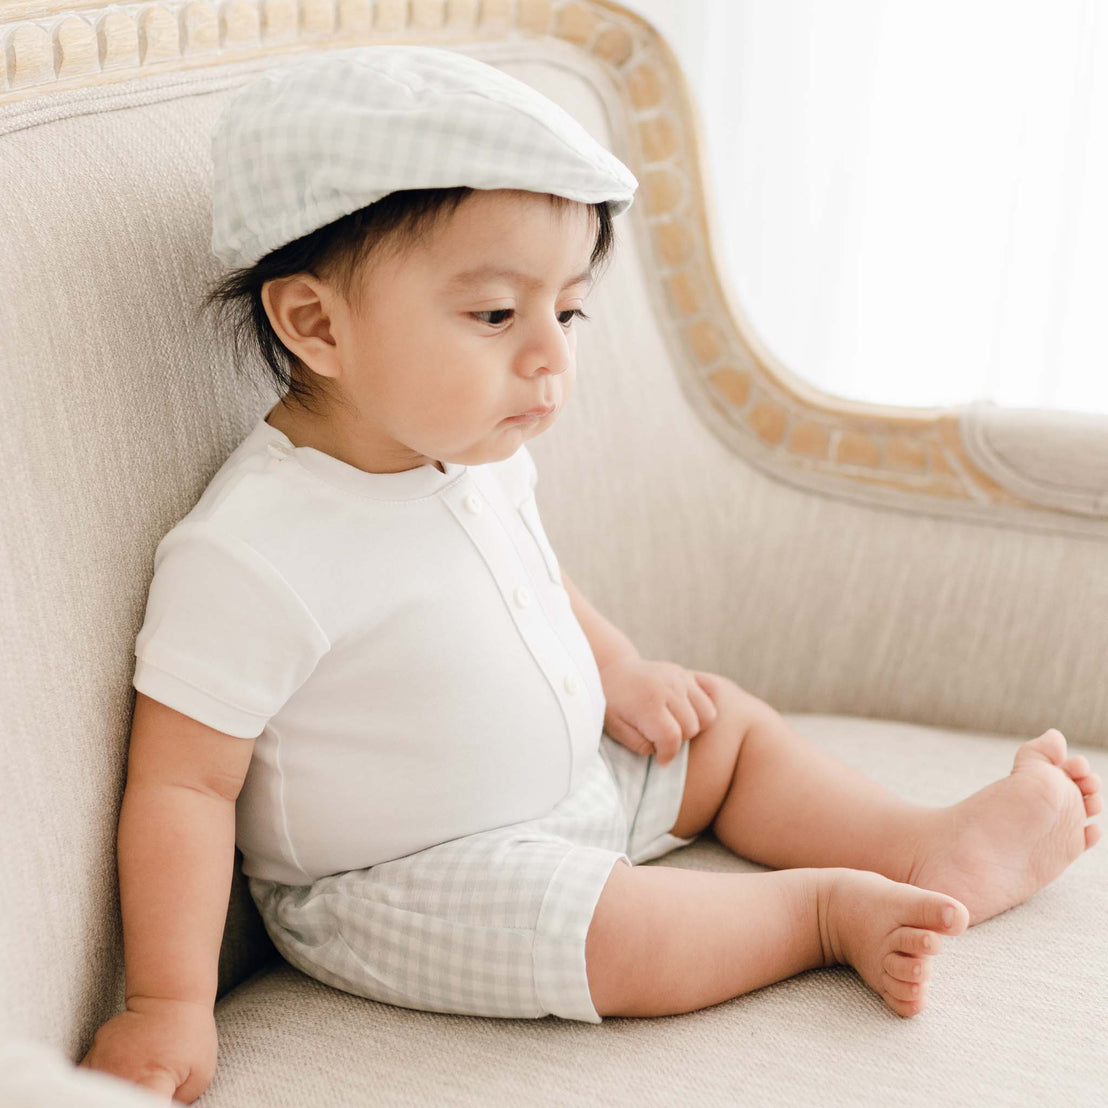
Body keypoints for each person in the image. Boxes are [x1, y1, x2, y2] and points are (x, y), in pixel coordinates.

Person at [78, 45, 1103, 1105]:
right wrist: (167, 1001)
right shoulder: (252, 547)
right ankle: (819, 912)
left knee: (724, 726)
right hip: (407, 877)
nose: (551, 359)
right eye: (494, 315)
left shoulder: (469, 451)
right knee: (613, 931)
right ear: (315, 323)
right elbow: (184, 784)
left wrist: (616, 668)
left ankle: (918, 844)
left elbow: (532, 582)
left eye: (565, 312)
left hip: (568, 786)